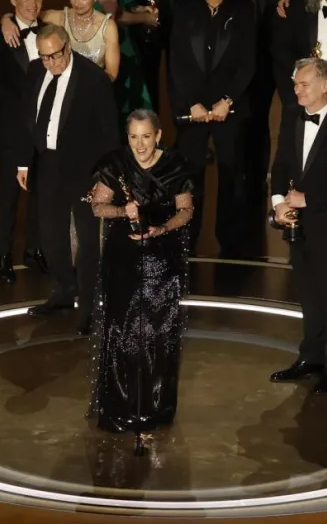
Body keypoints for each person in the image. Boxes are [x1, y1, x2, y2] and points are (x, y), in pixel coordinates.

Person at [86, 109, 194, 447]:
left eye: (146, 136)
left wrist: (161, 228)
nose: (140, 144)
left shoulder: (175, 165)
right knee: (123, 330)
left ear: (158, 135)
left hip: (163, 258)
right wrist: (122, 211)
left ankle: (154, 410)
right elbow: (96, 207)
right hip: (124, 258)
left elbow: (186, 210)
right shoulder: (114, 163)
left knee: (158, 333)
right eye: (133, 137)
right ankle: (121, 410)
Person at [269, 58, 327, 394]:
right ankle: (310, 358)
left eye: (304, 84)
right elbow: (280, 165)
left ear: (325, 85)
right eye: (295, 83)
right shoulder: (293, 117)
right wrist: (279, 202)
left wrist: (307, 200)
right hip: (299, 226)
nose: (297, 90)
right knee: (308, 295)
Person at [17, 25, 120, 322]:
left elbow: (109, 133)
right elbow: (28, 120)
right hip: (47, 166)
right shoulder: (36, 71)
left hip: (85, 170)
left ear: (68, 47)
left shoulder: (93, 79)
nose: (51, 62)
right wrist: (25, 164)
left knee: (88, 240)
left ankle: (87, 307)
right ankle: (63, 291)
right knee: (50, 235)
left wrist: (105, 178)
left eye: (55, 55)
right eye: (45, 56)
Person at [169, 0, 256, 255]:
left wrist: (227, 100)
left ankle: (230, 241)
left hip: (227, 108)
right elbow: (177, 60)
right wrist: (191, 102)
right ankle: (186, 237)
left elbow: (248, 61)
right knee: (189, 176)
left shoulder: (244, 10)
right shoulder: (186, 9)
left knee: (231, 174)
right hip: (193, 110)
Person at [237, 0, 318, 206]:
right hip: (260, 51)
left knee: (292, 115)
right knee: (255, 116)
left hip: (287, 55)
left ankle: (287, 177)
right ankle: (255, 176)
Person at [0, 0, 48, 284]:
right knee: (9, 195)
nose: (32, 5)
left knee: (40, 192)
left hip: (44, 128)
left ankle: (34, 250)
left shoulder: (49, 30)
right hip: (13, 129)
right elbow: (0, 88)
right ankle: (4, 254)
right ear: (13, 1)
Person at [3, 0, 120, 81]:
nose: (77, 3)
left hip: (94, 91)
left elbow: (111, 74)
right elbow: (28, 13)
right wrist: (6, 20)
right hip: (64, 92)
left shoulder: (108, 27)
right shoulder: (61, 17)